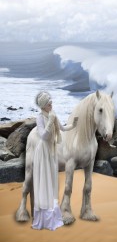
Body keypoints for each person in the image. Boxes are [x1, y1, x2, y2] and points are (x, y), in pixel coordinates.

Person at [32, 91, 78, 230]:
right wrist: (50, 121)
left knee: (52, 181)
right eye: (49, 103)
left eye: (51, 102)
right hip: (43, 152)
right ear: (43, 105)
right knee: (43, 182)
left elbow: (62, 128)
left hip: (51, 153)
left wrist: (74, 124)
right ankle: (43, 216)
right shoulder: (40, 118)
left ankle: (52, 212)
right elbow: (43, 136)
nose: (51, 104)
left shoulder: (53, 114)